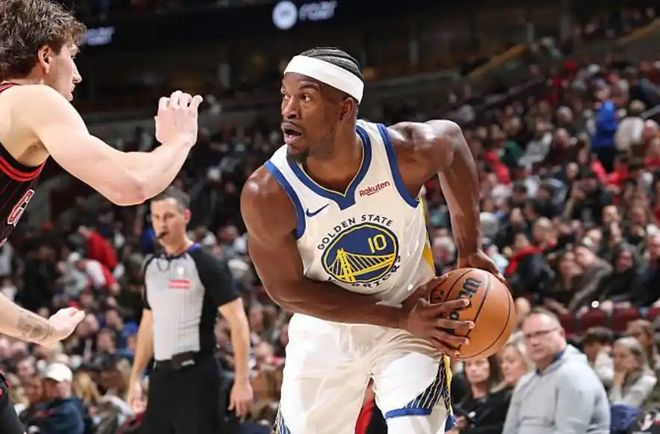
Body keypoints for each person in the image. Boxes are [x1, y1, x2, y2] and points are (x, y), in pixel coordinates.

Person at [241, 47, 502, 433]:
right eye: (285, 96)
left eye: (305, 97)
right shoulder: (268, 193)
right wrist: (396, 316)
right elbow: (286, 291)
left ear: (345, 109)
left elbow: (454, 142)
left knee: (418, 424)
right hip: (328, 324)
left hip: (413, 310)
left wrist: (470, 248)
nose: (288, 110)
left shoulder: (405, 152)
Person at [0, 0, 203, 431]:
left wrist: (46, 333)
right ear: (45, 56)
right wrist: (180, 141)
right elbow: (130, 184)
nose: (77, 75)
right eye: (71, 57)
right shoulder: (31, 99)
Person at [127, 187, 253, 434]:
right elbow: (148, 325)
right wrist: (135, 378)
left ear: (186, 217)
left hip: (198, 376)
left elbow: (238, 322)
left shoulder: (206, 263)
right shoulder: (151, 266)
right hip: (161, 376)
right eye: (156, 217)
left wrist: (242, 380)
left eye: (168, 216)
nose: (162, 224)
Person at [502, 308, 610, 434]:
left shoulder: (574, 374)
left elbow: (569, 432)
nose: (534, 342)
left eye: (541, 334)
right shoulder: (526, 381)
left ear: (561, 334)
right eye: (528, 336)